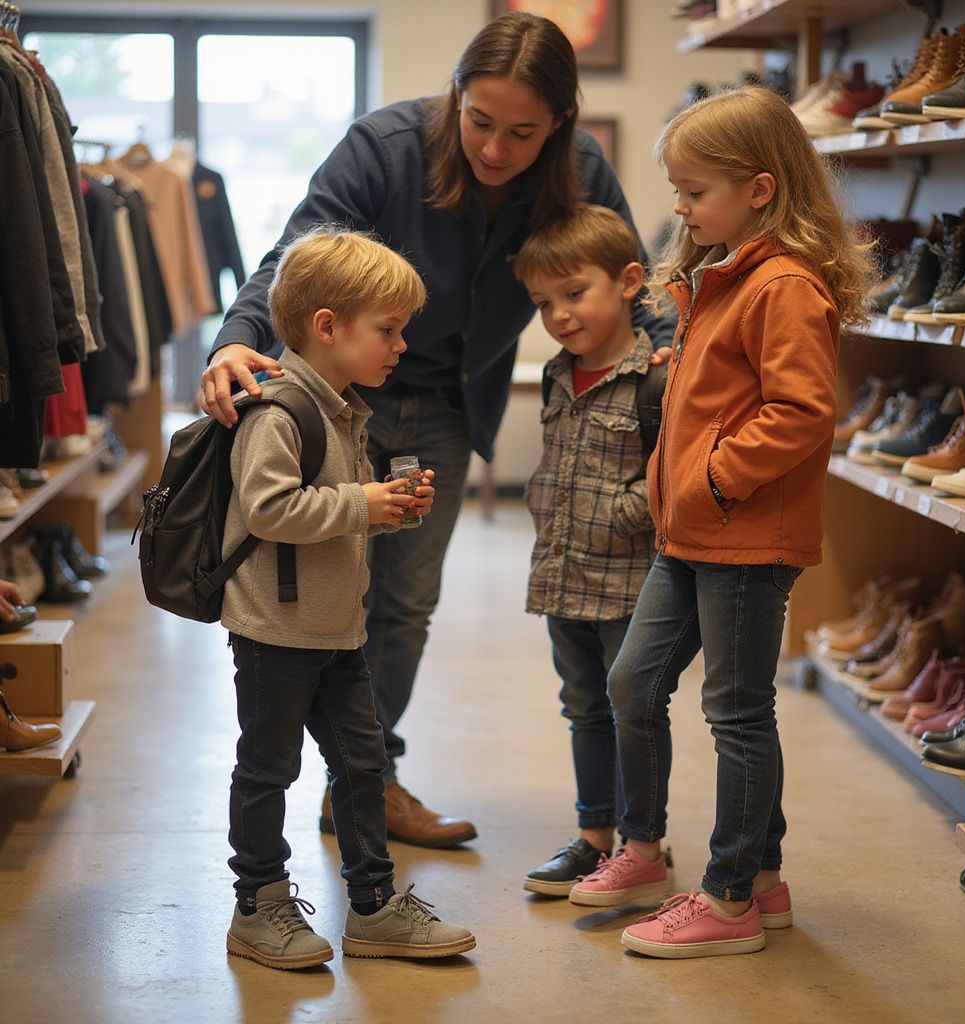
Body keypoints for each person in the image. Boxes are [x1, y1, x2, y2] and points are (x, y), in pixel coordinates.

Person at [200, 11, 674, 848]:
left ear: (559, 122)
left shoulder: (582, 169)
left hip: (451, 411)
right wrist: (237, 336)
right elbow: (295, 253)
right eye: (480, 121)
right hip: (348, 405)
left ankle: (367, 783)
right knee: (331, 596)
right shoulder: (383, 148)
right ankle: (335, 776)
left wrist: (677, 354)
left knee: (406, 607)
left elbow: (628, 279)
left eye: (523, 132)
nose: (495, 149)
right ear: (455, 95)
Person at [567, 87, 871, 959]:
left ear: (762, 188)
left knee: (737, 713)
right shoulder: (725, 272)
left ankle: (732, 893)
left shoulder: (782, 285)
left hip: (740, 534)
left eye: (695, 190)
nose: (680, 206)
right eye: (678, 188)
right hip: (692, 531)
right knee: (633, 682)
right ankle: (746, 873)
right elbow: (738, 390)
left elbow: (803, 412)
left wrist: (710, 476)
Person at [222, 227, 475, 970]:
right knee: (269, 770)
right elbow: (269, 510)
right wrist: (362, 502)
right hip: (275, 632)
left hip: (337, 630)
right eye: (388, 331)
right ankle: (258, 905)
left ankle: (373, 907)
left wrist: (387, 504)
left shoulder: (341, 408)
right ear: (327, 328)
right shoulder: (278, 412)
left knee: (363, 768)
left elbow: (335, 511)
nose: (400, 346)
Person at [511, 205, 661, 895]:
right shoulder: (555, 374)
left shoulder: (657, 379)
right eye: (545, 303)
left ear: (629, 281)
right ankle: (594, 837)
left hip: (628, 583)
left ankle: (642, 844)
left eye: (575, 293)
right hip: (562, 575)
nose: (560, 315)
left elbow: (668, 480)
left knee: (633, 710)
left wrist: (620, 515)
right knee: (583, 708)